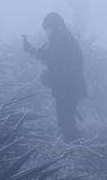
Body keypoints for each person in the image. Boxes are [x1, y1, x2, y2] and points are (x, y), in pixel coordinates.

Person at [23, 12, 87, 142]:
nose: (48, 32)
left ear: (56, 26)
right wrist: (29, 48)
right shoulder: (60, 39)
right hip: (68, 88)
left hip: (68, 88)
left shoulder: (62, 40)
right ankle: (76, 147)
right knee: (65, 120)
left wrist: (53, 78)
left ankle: (76, 148)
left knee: (65, 122)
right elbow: (46, 54)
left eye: (49, 28)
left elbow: (67, 66)